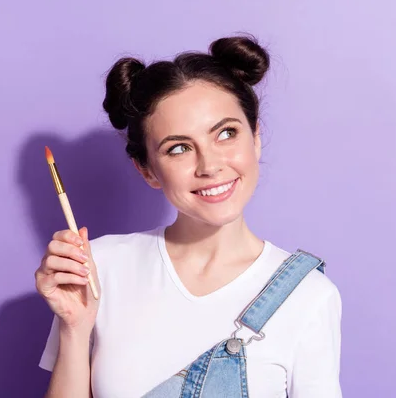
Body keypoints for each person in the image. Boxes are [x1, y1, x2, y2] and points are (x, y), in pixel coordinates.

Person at [36, 35, 342, 397]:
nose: (210, 166)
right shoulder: (99, 269)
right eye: (179, 148)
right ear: (147, 169)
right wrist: (74, 328)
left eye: (226, 133)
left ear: (255, 137)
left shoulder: (308, 296)